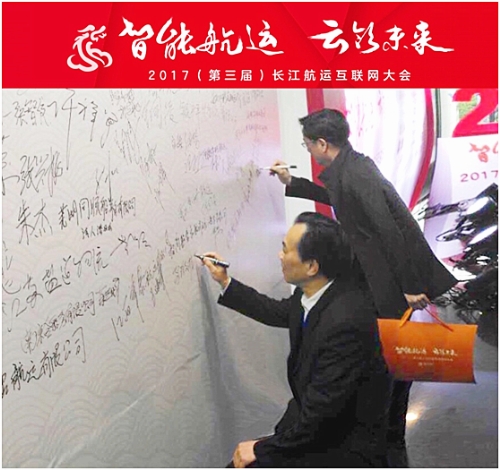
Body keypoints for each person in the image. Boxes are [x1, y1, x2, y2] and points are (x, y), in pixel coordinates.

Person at [269, 108, 458, 467]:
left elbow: (391, 230)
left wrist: (410, 285)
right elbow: (338, 199)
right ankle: (385, 438)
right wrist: (291, 183)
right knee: (387, 360)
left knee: (392, 365)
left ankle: (390, 443)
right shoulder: (350, 168)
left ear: (322, 144)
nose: (307, 151)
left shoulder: (357, 174)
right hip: (378, 279)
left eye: (307, 145)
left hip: (387, 284)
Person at [200, 211, 391, 468]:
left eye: (285, 249)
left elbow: (322, 416)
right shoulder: (315, 291)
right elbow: (276, 311)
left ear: (312, 266)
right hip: (315, 420)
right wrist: (225, 281)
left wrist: (260, 449)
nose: (280, 256)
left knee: (244, 463)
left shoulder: (346, 322)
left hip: (344, 441)